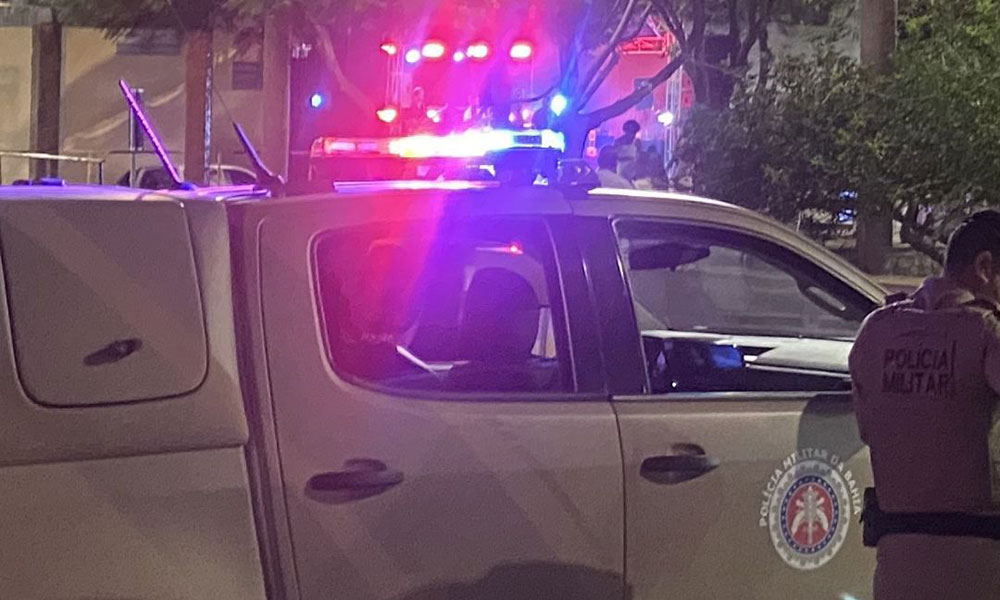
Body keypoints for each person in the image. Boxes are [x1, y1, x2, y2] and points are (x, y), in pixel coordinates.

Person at [849, 210, 1000, 600]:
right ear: (985, 268)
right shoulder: (987, 333)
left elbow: (868, 430)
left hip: (896, 568)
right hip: (979, 568)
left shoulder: (875, 330)